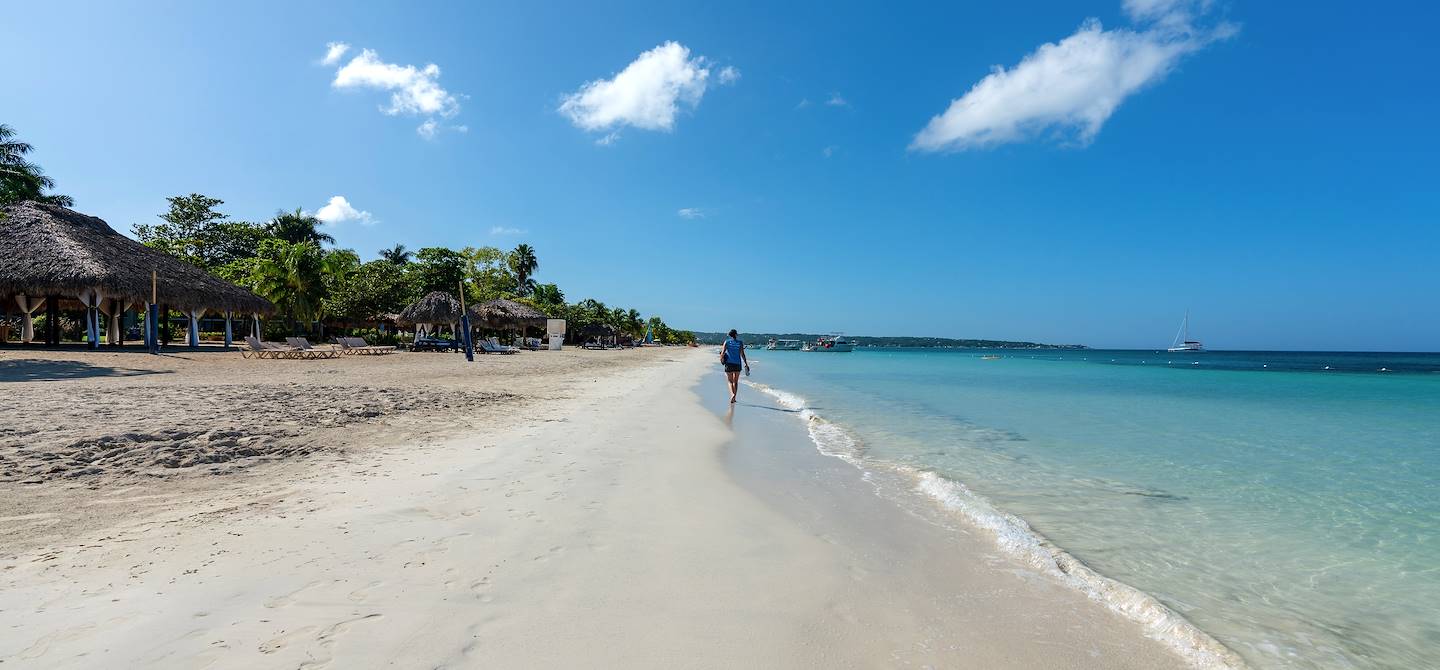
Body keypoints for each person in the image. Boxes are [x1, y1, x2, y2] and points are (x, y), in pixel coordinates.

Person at [720, 329, 749, 403]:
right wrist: (746, 363)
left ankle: (732, 394)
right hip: (737, 364)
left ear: (730, 335)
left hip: (729, 363)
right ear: (736, 334)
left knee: (730, 381)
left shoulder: (727, 342)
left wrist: (721, 360)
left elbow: (722, 353)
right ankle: (734, 397)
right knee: (735, 382)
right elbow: (742, 354)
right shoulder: (740, 343)